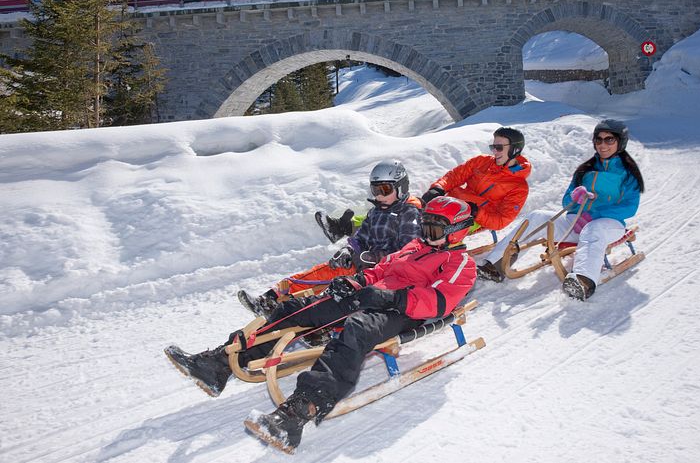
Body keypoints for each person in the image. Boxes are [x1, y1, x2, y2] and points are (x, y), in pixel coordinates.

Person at [165, 196, 477, 451]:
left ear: (457, 231)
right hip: (374, 296)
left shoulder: (460, 263)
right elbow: (379, 270)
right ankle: (220, 363)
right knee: (300, 308)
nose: (426, 234)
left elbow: (438, 301)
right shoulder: (415, 247)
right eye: (425, 227)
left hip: (401, 312)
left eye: (435, 230)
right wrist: (354, 282)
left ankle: (303, 409)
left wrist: (391, 298)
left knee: (356, 329)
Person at [480, 119, 644, 300]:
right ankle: (496, 264)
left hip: (608, 226)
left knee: (593, 229)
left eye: (609, 140)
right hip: (576, 223)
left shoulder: (628, 173)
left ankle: (583, 280)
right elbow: (566, 200)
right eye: (598, 140)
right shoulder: (585, 169)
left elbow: (630, 207)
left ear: (620, 142)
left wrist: (594, 215)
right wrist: (575, 197)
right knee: (537, 217)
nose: (603, 145)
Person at [238, 160, 422, 316]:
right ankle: (268, 300)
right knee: (316, 274)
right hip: (359, 264)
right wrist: (348, 250)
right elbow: (360, 236)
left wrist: (373, 257)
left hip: (381, 274)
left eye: (384, 189)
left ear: (401, 187)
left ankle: (312, 322)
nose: (379, 195)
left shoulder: (409, 213)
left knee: (332, 297)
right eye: (375, 190)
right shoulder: (376, 212)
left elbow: (408, 251)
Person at [319, 127, 531, 246]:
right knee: (406, 206)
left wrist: (476, 210)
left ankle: (399, 248)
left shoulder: (518, 187)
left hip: (470, 217)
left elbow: (501, 220)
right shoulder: (482, 161)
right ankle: (345, 227)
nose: (494, 151)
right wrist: (437, 188)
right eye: (493, 146)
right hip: (447, 201)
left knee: (428, 223)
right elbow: (454, 176)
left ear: (514, 150)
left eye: (499, 147)